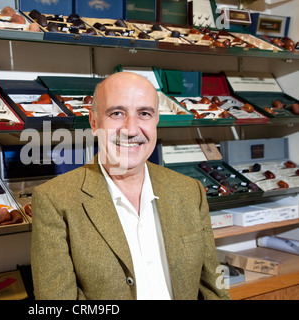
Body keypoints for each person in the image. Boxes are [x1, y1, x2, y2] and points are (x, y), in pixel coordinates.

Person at [30, 71, 230, 300]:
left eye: (144, 113)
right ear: (94, 122)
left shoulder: (190, 191)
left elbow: (214, 288)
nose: (131, 129)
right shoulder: (54, 200)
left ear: (156, 121)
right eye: (117, 113)